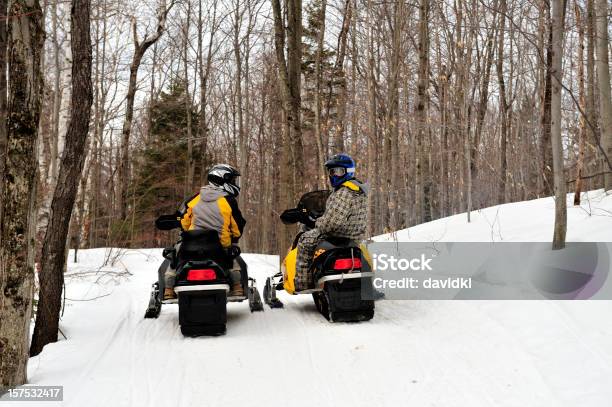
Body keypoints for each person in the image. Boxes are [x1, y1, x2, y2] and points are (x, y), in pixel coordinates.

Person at [163, 164, 246, 300]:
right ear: (221, 179)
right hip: (219, 247)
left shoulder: (193, 200)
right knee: (232, 259)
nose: (233, 183)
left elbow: (184, 223)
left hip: (190, 246)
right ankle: (237, 287)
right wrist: (234, 237)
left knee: (175, 257)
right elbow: (237, 228)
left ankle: (168, 289)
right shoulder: (228, 201)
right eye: (231, 180)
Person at [294, 153, 367, 291]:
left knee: (304, 240)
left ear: (349, 172)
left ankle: (303, 284)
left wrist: (318, 222)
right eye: (332, 171)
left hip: (337, 235)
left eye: (339, 171)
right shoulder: (360, 190)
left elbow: (332, 223)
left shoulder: (344, 191)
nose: (334, 175)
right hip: (355, 236)